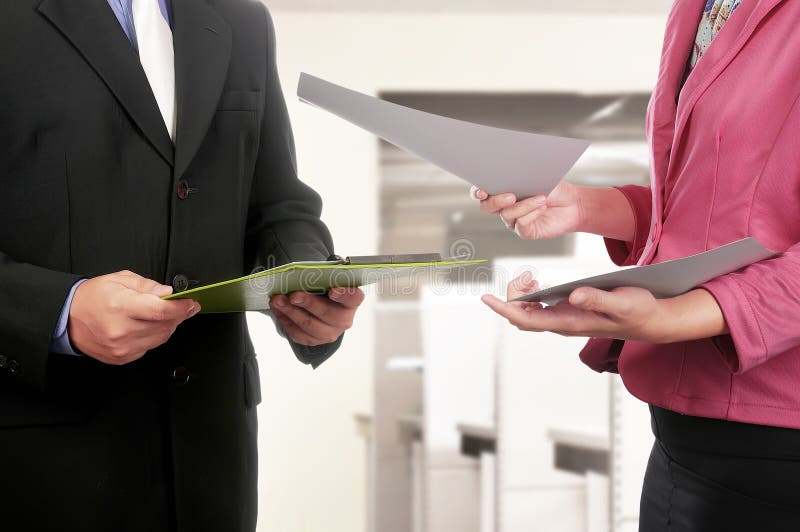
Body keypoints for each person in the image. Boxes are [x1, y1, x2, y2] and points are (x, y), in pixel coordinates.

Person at [0, 1, 364, 531]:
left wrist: (303, 281)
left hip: (211, 464)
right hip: (38, 466)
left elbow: (278, 205)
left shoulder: (243, 20)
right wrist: (59, 310)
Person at [474, 0, 800, 530]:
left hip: (779, 447)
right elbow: (724, 208)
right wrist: (586, 207)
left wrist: (676, 316)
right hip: (681, 439)